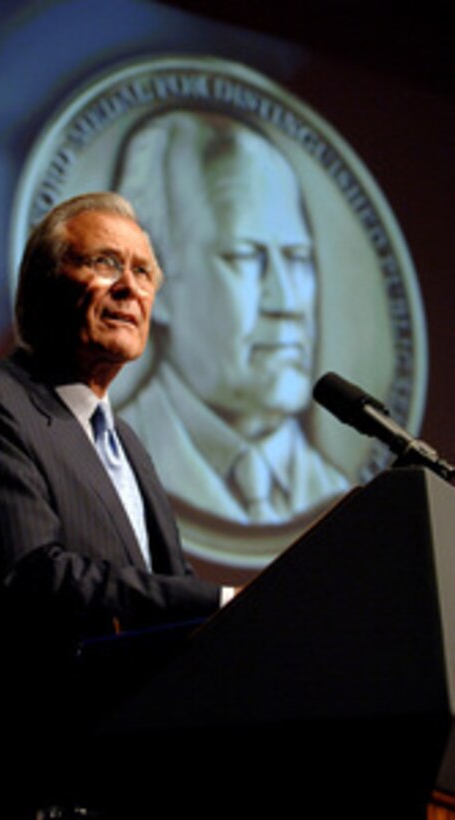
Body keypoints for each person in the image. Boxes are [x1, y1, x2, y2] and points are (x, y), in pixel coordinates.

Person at [0, 192, 231, 817]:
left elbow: (165, 592)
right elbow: (33, 576)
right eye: (106, 263)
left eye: (143, 272)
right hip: (9, 784)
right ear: (41, 286)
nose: (129, 288)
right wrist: (220, 603)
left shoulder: (129, 446)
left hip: (113, 784)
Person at [114, 111, 349, 528]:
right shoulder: (107, 461)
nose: (288, 302)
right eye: (245, 257)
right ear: (154, 284)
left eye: (297, 259)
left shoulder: (339, 494)